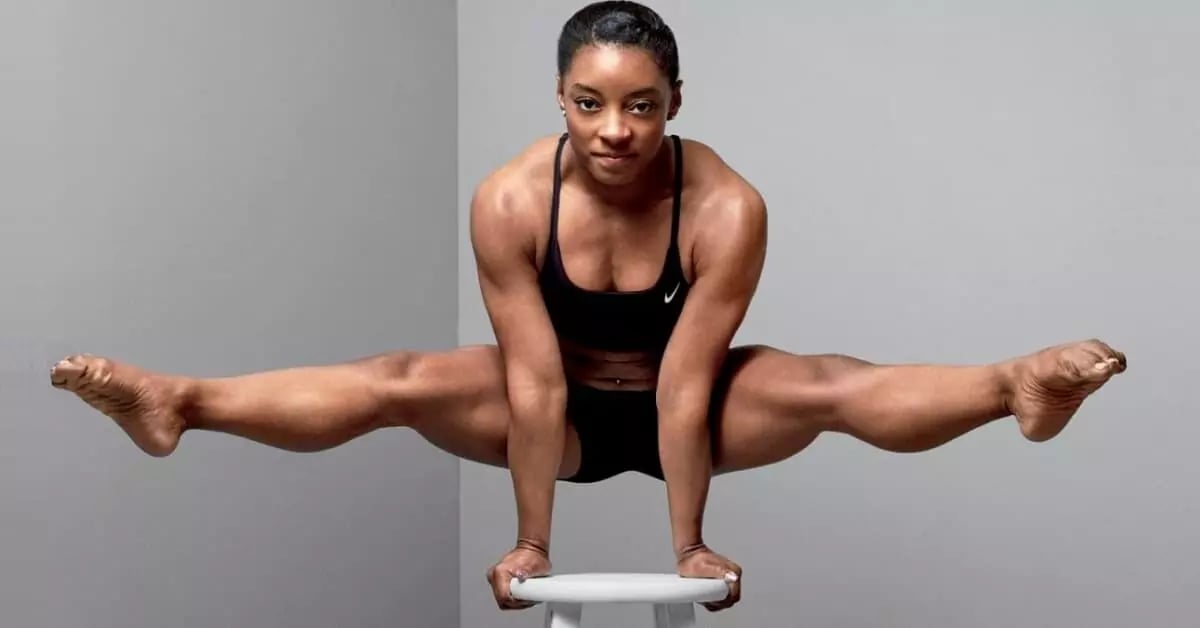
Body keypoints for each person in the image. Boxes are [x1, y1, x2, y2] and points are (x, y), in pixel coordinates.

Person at [49, 0, 1127, 615]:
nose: (616, 131)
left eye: (642, 106)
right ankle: (180, 400)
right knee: (402, 379)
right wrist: (532, 542)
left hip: (694, 413)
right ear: (559, 97)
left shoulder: (726, 205)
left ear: (677, 102)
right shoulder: (512, 199)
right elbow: (530, 377)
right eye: (591, 103)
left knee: (824, 381)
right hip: (552, 415)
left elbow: (693, 377)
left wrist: (690, 544)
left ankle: (1011, 385)